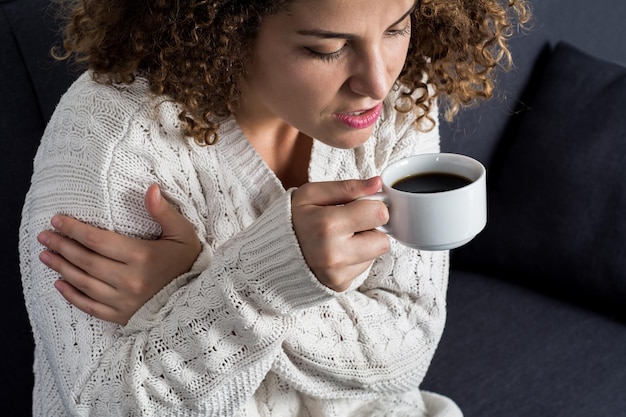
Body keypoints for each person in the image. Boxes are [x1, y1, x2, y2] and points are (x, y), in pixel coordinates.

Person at [20, 0, 529, 415]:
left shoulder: (400, 94)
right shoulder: (110, 146)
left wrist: (204, 283)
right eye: (327, 48)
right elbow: (104, 406)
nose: (376, 82)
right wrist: (265, 279)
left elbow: (407, 351)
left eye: (397, 27)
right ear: (225, 26)